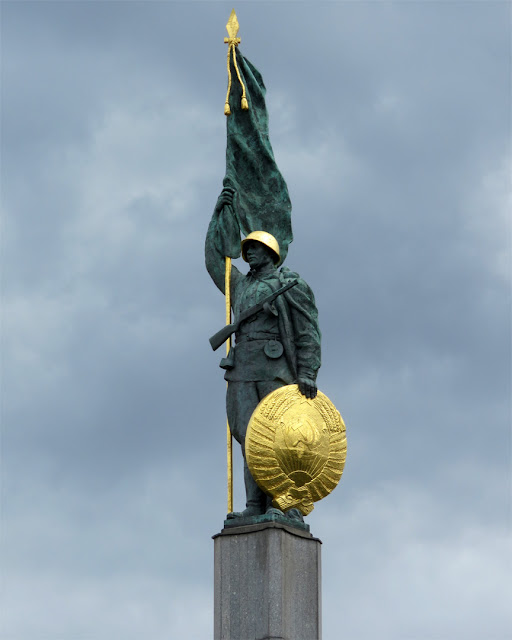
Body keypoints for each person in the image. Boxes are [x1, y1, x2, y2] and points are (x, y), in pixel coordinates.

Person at [205, 187, 321, 520]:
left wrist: (308, 371)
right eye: (247, 248)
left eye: (254, 248)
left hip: (275, 367)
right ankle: (254, 505)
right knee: (248, 436)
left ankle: (283, 503)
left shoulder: (291, 284)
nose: (248, 254)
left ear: (270, 251)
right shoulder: (240, 286)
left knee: (279, 436)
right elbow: (216, 261)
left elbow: (307, 332)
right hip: (243, 367)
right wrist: (219, 215)